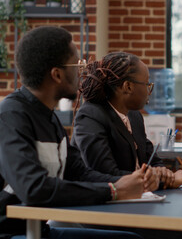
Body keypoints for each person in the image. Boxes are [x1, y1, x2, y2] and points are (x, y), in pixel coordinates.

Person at [0, 26, 153, 238]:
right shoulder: (10, 117)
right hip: (12, 234)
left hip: (39, 230)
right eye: (77, 64)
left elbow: (81, 173)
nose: (82, 71)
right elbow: (33, 189)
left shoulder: (50, 118)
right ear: (57, 74)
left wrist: (124, 183)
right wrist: (113, 191)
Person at [71, 51, 182, 189]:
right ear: (128, 87)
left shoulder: (134, 116)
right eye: (147, 84)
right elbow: (106, 175)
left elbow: (153, 160)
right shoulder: (90, 116)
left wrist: (163, 172)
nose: (149, 90)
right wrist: (168, 181)